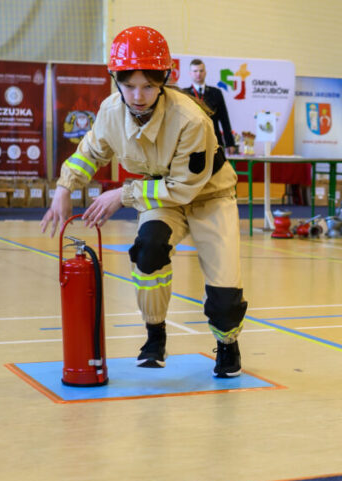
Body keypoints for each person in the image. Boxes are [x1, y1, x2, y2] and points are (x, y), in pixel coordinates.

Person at [40, 25, 247, 378]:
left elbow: (184, 187)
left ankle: (227, 344)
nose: (138, 95)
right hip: (159, 196)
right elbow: (91, 151)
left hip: (209, 196)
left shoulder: (191, 120)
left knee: (225, 295)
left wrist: (122, 194)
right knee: (148, 250)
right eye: (129, 84)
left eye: (149, 85)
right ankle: (155, 336)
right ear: (115, 79)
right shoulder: (110, 111)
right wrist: (64, 188)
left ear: (164, 80)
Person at [188, 59, 237, 154]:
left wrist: (230, 143)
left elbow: (224, 119)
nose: (198, 74)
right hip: (192, 141)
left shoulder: (216, 93)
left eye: (201, 71)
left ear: (205, 72)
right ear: (190, 73)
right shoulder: (185, 94)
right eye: (195, 71)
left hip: (214, 140)